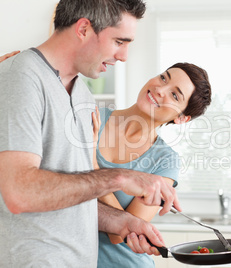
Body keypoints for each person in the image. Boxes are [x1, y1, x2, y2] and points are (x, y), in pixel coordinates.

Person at [0, 0, 181, 267]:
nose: (124, 56)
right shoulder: (22, 76)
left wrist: (123, 222)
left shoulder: (83, 94)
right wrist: (119, 177)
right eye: (120, 41)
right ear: (84, 28)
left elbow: (68, 197)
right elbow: (19, 193)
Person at [95, 62, 212, 267]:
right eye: (163, 78)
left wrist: (91, 162)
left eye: (175, 95)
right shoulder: (92, 117)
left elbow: (120, 233)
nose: (160, 89)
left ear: (181, 118)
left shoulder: (164, 160)